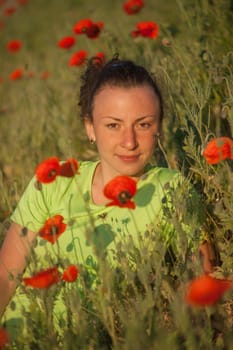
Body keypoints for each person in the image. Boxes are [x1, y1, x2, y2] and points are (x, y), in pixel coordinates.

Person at [0, 55, 214, 340]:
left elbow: (201, 284)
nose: (129, 142)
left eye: (143, 124)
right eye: (113, 125)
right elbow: (5, 276)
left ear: (159, 126)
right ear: (90, 128)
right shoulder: (53, 181)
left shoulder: (171, 191)